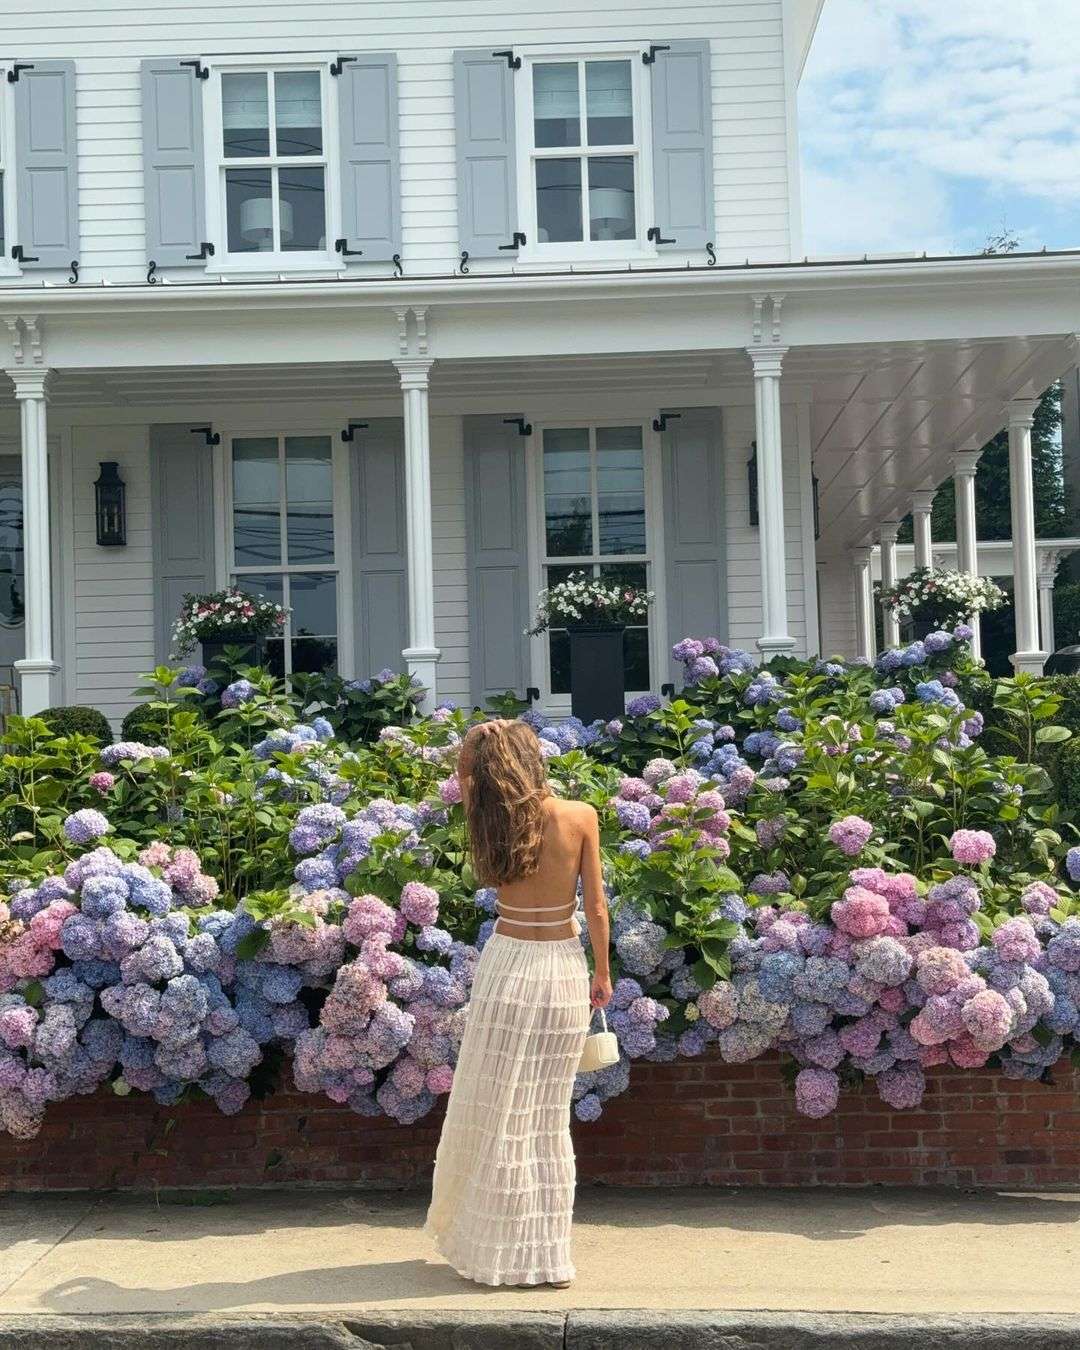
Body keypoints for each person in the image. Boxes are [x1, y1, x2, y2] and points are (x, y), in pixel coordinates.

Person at [423, 718, 612, 1288]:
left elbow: (465, 781)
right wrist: (601, 971)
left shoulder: (491, 821)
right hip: (559, 970)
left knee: (498, 1109)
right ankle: (547, 1257)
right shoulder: (580, 816)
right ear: (536, 758)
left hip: (507, 966)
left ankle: (492, 1249)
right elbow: (597, 909)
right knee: (546, 1117)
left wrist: (473, 748)